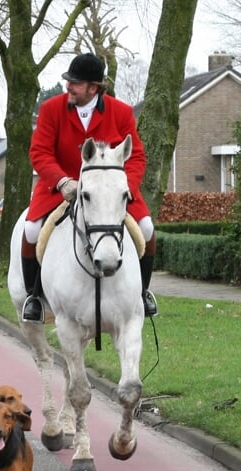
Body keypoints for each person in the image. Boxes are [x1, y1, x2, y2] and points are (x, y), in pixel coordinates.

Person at [22, 52, 158, 322]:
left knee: (147, 229)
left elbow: (137, 155)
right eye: (68, 81)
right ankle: (33, 296)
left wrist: (126, 187)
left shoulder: (120, 112)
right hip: (61, 187)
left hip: (109, 192)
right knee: (31, 230)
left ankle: (143, 292)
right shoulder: (51, 109)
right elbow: (39, 152)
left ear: (93, 87)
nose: (68, 86)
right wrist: (61, 181)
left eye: (75, 82)